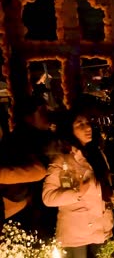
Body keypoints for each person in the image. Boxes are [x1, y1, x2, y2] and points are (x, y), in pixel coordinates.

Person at [42, 107, 114, 258]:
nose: (87, 128)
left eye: (88, 123)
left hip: (101, 229)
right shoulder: (62, 160)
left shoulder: (98, 155)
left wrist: (111, 197)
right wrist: (77, 193)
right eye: (79, 124)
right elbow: (48, 197)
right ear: (69, 129)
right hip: (75, 234)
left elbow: (107, 185)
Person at [0, 95, 55, 236]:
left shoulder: (39, 139)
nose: (49, 115)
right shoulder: (21, 140)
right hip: (17, 214)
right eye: (43, 111)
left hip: (22, 213)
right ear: (28, 117)